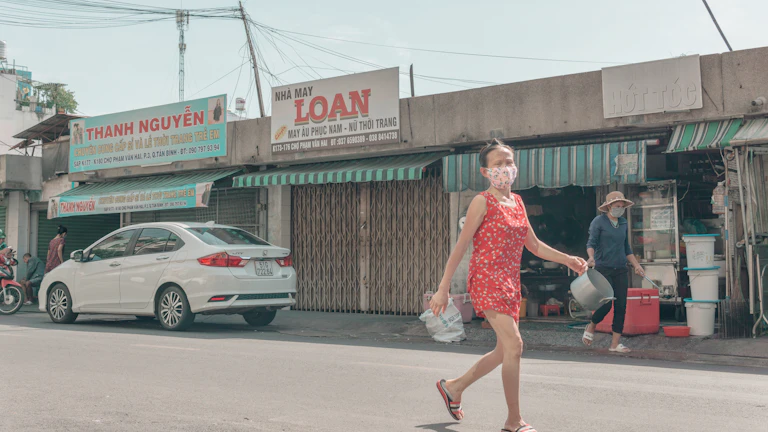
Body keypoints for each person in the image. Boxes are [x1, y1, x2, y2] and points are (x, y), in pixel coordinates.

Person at [429, 139, 588, 432]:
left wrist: (568, 260)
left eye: (509, 162)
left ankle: (454, 387)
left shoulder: (517, 202)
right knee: (515, 345)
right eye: (498, 164)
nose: (505, 168)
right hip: (486, 279)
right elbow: (461, 246)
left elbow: (534, 245)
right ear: (485, 172)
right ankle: (513, 421)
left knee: (504, 351)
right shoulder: (482, 201)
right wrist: (443, 288)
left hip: (511, 282)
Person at [582, 191, 645, 353]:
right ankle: (592, 325)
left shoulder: (623, 223)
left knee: (621, 306)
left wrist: (636, 265)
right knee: (607, 303)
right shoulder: (599, 222)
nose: (620, 209)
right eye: (617, 206)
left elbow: (626, 248)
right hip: (603, 268)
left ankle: (615, 344)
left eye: (622, 206)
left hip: (621, 269)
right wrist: (591, 257)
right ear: (609, 206)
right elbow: (591, 243)